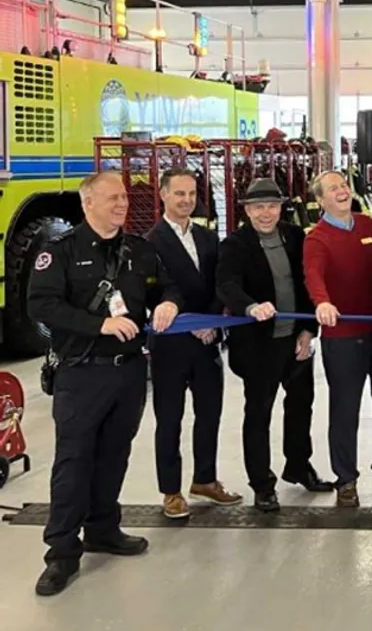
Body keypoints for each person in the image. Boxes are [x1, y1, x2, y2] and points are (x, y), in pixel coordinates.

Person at [27, 170, 182, 596]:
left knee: (114, 454)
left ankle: (102, 529)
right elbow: (41, 304)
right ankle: (60, 552)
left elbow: (166, 287)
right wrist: (100, 324)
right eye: (112, 198)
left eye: (124, 199)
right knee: (74, 461)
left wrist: (168, 302)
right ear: (87, 203)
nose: (121, 204)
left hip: (128, 372)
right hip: (82, 371)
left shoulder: (139, 250)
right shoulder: (60, 251)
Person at [216, 178, 333, 513]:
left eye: (272, 206)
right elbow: (227, 285)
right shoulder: (235, 245)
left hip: (295, 341)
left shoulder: (296, 238)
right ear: (248, 211)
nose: (266, 213)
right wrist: (251, 307)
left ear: (281, 208)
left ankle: (299, 465)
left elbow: (309, 284)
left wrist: (308, 331)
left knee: (301, 407)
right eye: (258, 207)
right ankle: (262, 484)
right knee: (258, 415)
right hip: (258, 347)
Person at [146, 169, 242, 519]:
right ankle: (171, 491)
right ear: (163, 195)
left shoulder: (206, 237)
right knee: (169, 418)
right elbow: (159, 289)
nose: (186, 200)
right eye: (178, 194)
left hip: (207, 342)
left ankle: (205, 479)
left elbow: (220, 282)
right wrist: (193, 324)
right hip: (172, 344)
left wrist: (212, 320)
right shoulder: (150, 242)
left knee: (209, 414)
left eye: (191, 194)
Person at [304, 170, 372, 508]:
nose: (342, 191)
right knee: (346, 409)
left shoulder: (369, 226)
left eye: (343, 186)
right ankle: (346, 479)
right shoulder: (317, 238)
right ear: (320, 200)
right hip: (343, 338)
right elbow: (313, 274)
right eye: (333, 189)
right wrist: (322, 302)